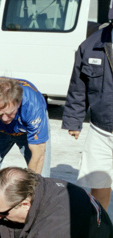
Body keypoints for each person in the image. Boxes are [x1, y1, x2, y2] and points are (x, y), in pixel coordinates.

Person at [0, 77, 51, 203]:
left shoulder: (33, 106)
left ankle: (36, 211)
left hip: (26, 129)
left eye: (10, 113)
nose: (6, 118)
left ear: (18, 102)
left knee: (40, 178)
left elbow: (38, 154)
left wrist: (27, 194)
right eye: (0, 113)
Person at [62, 17, 113, 211]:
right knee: (99, 183)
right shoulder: (91, 45)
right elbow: (78, 86)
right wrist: (74, 120)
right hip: (101, 130)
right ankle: (99, 230)